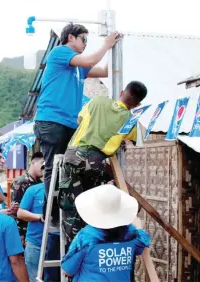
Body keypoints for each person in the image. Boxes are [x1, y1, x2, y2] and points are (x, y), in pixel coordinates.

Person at [34, 23, 122, 225]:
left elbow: (104, 71)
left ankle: (68, 210)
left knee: (70, 166)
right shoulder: (60, 52)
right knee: (53, 167)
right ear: (70, 38)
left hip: (69, 123)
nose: (85, 44)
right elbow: (91, 59)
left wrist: (114, 49)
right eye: (83, 39)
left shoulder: (77, 68)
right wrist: (106, 44)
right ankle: (53, 214)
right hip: (51, 120)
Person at [59, 81, 148, 243]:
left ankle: (74, 246)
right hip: (95, 161)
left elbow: (80, 121)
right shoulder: (130, 119)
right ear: (137, 104)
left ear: (122, 92)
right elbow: (136, 139)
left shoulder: (98, 101)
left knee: (72, 205)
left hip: (73, 156)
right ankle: (93, 244)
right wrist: (118, 139)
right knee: (94, 206)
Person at [61, 184, 150, 282]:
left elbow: (67, 270)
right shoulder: (130, 235)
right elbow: (142, 242)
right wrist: (139, 228)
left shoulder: (86, 237)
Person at [11, 152, 44, 244]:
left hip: (35, 230)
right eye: (42, 163)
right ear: (33, 163)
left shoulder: (39, 183)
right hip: (24, 232)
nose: (44, 167)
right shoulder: (21, 181)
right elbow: (15, 210)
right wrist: (20, 233)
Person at [17, 183, 45, 281]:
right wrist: (39, 217)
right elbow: (20, 213)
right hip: (35, 244)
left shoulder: (67, 190)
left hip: (58, 244)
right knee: (35, 278)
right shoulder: (34, 190)